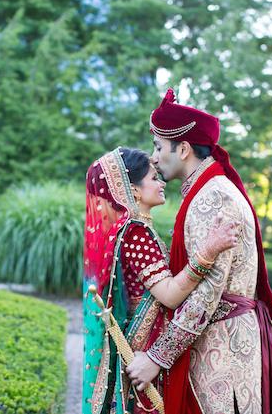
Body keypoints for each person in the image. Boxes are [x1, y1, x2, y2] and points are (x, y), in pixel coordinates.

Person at [126, 89, 272, 414]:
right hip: (225, 343)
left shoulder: (211, 198)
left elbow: (206, 296)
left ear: (183, 149)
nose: (153, 158)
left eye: (158, 147)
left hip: (222, 350)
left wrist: (156, 358)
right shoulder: (211, 190)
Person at [83, 147, 240, 414]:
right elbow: (168, 294)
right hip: (144, 349)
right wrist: (209, 251)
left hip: (142, 342)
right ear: (133, 189)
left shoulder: (133, 229)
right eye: (154, 178)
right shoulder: (136, 232)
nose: (161, 182)